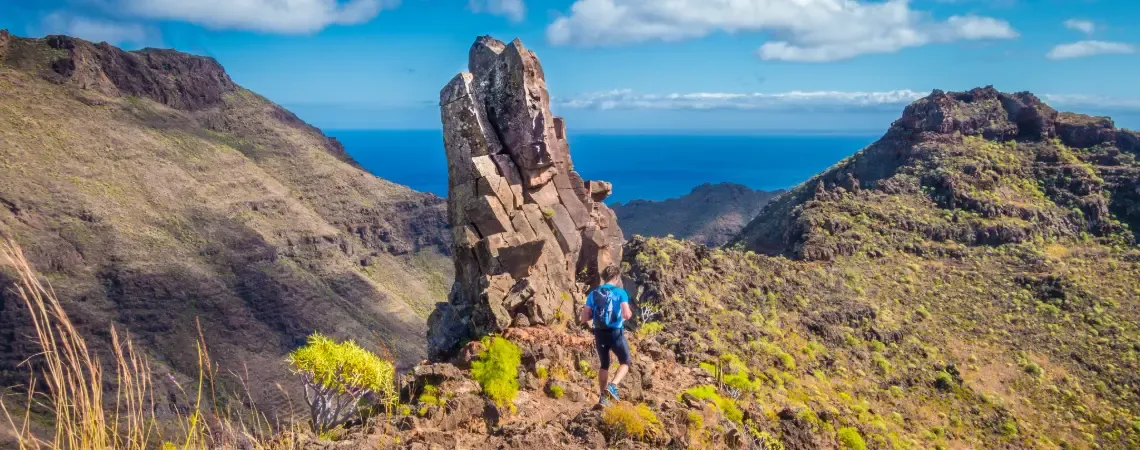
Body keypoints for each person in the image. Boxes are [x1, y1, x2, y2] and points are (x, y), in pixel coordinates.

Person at [579, 264, 633, 406]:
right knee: (625, 362)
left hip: (599, 333)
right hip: (615, 333)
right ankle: (613, 386)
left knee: (604, 365)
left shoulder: (593, 293)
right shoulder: (621, 293)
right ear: (616, 277)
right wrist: (626, 314)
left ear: (603, 277)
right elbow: (627, 315)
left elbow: (584, 317)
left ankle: (603, 398)